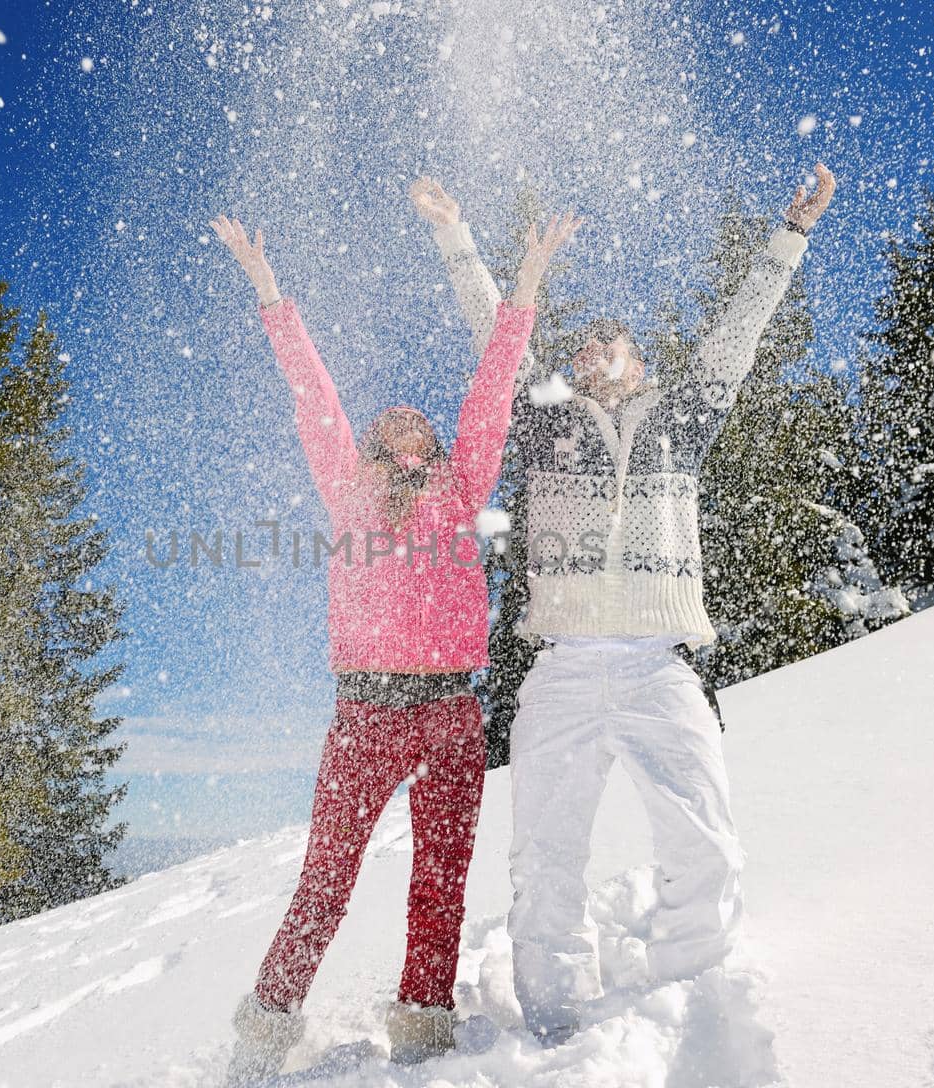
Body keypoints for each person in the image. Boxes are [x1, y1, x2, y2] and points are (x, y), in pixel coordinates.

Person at [411, 164, 837, 1045]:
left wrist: (789, 236)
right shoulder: (543, 418)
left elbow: (739, 332)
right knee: (545, 860)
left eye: (608, 341)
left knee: (704, 842)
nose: (587, 352)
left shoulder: (684, 414)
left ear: (640, 362)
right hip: (562, 669)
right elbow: (497, 336)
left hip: (660, 665)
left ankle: (697, 999)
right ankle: (557, 1027)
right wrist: (455, 235)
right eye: (580, 346)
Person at [209, 207, 581, 1080]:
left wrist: (525, 283)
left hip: (452, 709)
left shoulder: (462, 485)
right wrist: (268, 289)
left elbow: (492, 389)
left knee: (442, 878)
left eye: (423, 424)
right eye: (395, 424)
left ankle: (422, 1019)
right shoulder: (348, 488)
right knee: (327, 878)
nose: (411, 429)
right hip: (365, 711)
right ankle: (270, 1018)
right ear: (375, 443)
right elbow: (314, 394)